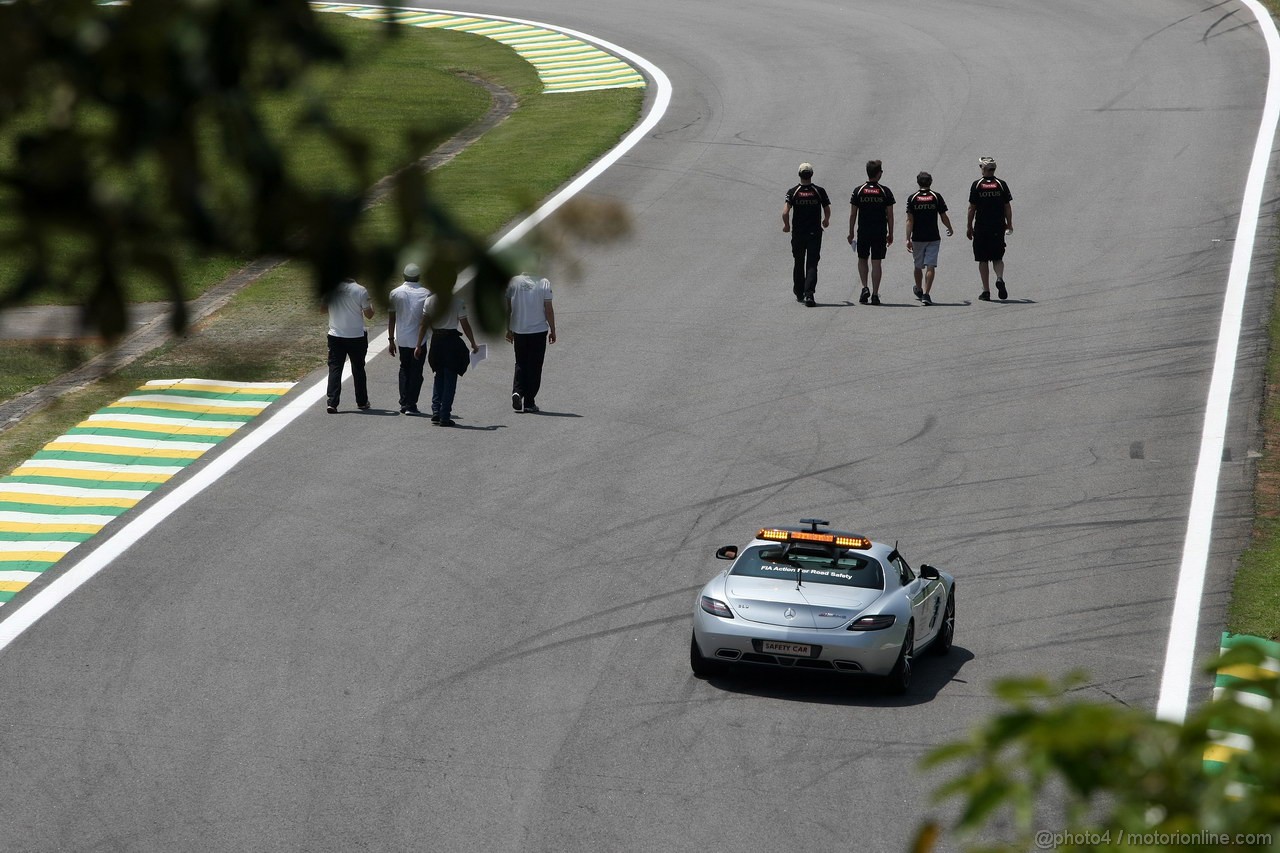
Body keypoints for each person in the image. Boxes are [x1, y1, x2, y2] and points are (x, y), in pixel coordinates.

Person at [414, 285, 479, 427]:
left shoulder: (429, 301)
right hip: (451, 341)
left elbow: (423, 324)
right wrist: (473, 343)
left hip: (436, 341)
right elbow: (465, 325)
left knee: (439, 375)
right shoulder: (458, 302)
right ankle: (445, 415)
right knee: (450, 379)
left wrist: (418, 345)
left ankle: (436, 411)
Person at [505, 270, 557, 414]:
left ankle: (517, 392)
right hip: (538, 331)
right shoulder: (544, 282)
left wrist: (508, 329)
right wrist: (553, 329)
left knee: (520, 362)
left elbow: (508, 309)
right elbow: (549, 310)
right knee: (535, 366)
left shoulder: (513, 281)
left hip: (519, 330)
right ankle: (529, 402)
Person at [782, 162, 831, 307]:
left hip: (798, 233)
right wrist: (826, 220)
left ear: (799, 174)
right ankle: (809, 294)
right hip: (814, 233)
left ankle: (798, 291)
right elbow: (827, 208)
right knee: (812, 263)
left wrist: (786, 225)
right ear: (811, 175)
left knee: (798, 261)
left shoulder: (793, 192)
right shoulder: (819, 191)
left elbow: (785, 212)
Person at [323, 276, 374, 413]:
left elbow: (322, 309)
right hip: (356, 336)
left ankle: (332, 402)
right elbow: (369, 314)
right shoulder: (361, 290)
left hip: (335, 335)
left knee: (335, 368)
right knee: (358, 368)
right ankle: (362, 401)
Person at [848, 160, 895, 305]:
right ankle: (875, 294)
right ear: (878, 173)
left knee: (862, 259)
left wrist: (851, 232)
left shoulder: (859, 190)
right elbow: (890, 215)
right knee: (876, 263)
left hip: (863, 231)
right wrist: (890, 233)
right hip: (879, 232)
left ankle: (864, 287)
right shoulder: (885, 191)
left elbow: (853, 214)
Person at [966, 156, 1014, 301]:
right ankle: (999, 278)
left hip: (981, 226)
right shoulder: (1001, 184)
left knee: (983, 259)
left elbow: (971, 208)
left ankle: (986, 291)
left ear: (984, 168)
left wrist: (969, 226)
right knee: (997, 257)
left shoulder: (977, 185)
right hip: (998, 226)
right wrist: (1009, 223)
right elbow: (1007, 206)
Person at [904, 171, 954, 306]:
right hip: (933, 237)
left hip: (918, 238)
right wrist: (949, 227)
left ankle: (919, 288)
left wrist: (908, 238)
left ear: (918, 182)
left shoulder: (913, 198)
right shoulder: (936, 197)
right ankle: (926, 294)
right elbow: (943, 215)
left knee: (917, 265)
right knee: (931, 266)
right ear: (930, 182)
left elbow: (910, 220)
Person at [388, 263, 430, 414]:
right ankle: (411, 405)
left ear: (404, 276)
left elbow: (391, 318)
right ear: (419, 277)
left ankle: (403, 402)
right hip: (420, 340)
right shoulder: (427, 293)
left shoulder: (395, 293)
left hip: (402, 339)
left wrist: (391, 339)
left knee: (404, 369)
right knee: (417, 373)